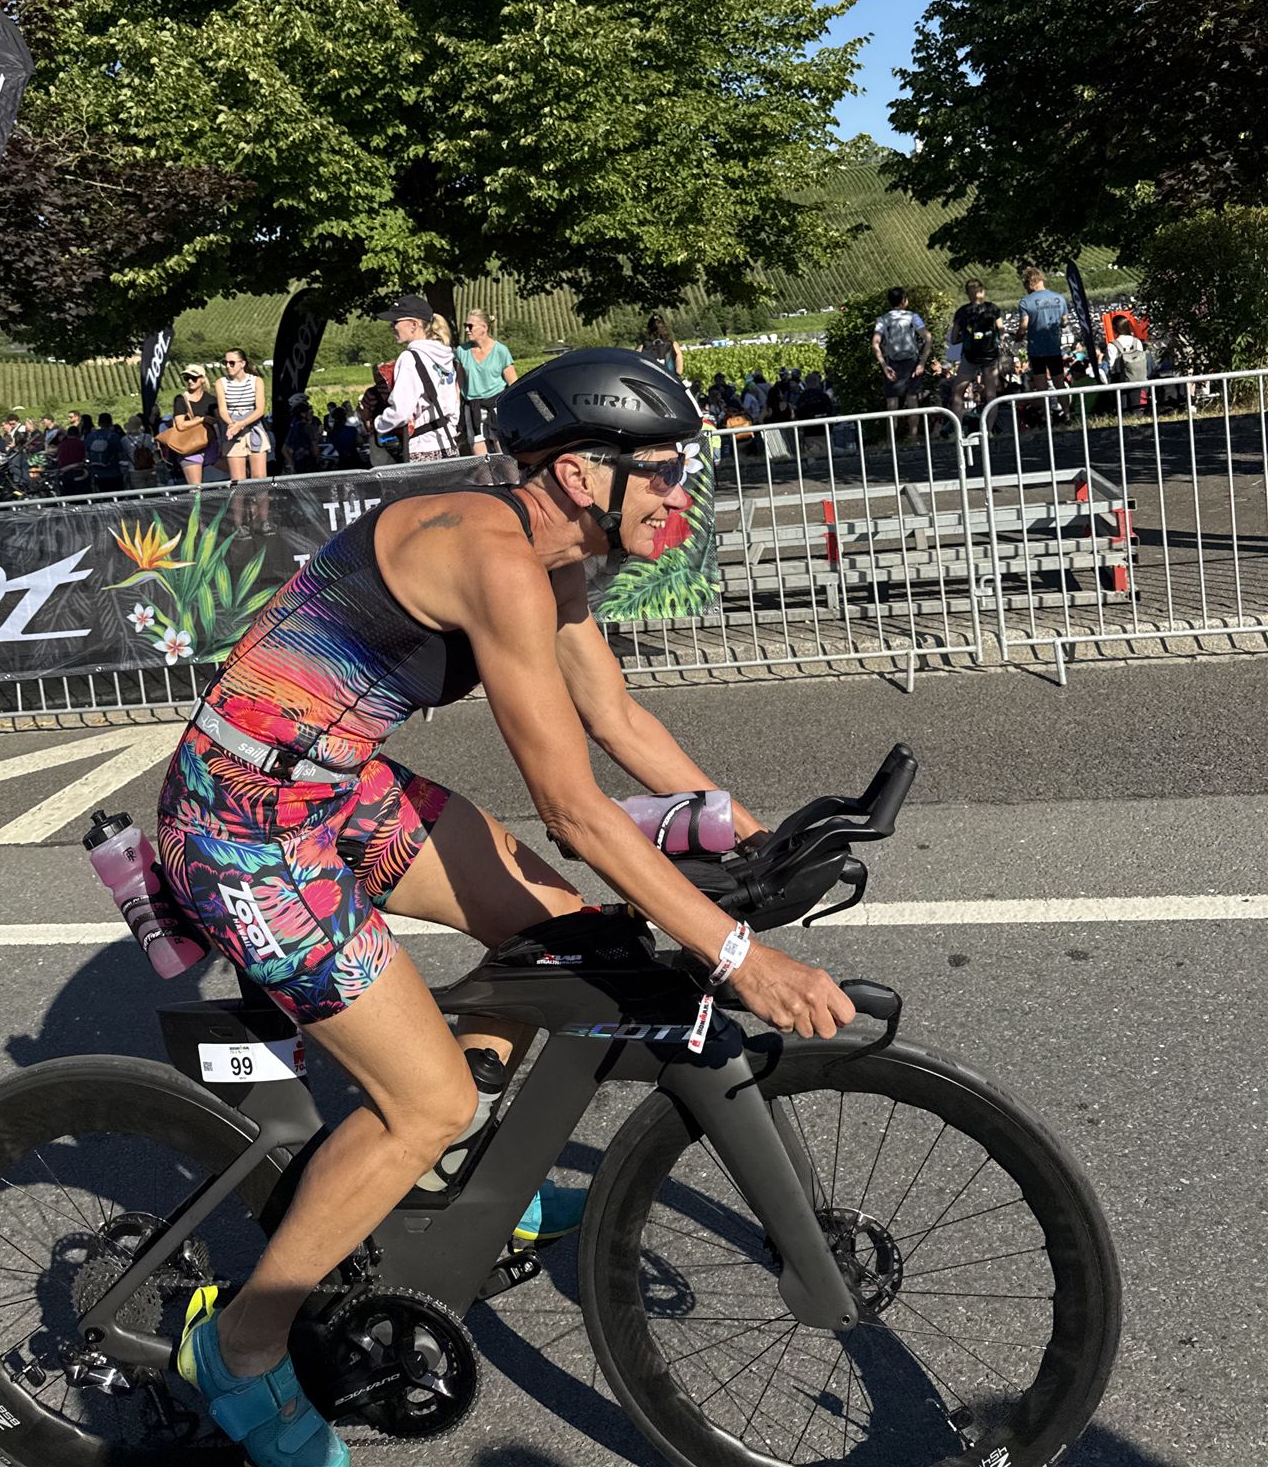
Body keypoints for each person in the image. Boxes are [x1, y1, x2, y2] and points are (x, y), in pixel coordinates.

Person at [157, 347, 853, 1463]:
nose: (679, 492)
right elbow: (576, 808)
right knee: (422, 1099)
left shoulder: (553, 552)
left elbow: (618, 722)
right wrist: (739, 957)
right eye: (661, 470)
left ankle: (455, 1170)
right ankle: (240, 1345)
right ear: (582, 475)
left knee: (556, 928)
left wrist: (759, 840)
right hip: (242, 824)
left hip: (331, 785)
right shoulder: (498, 563)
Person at [375, 294, 462, 462]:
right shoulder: (446, 356)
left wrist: (379, 424)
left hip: (422, 448)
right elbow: (454, 402)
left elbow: (401, 411)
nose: (392, 327)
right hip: (448, 444)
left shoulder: (410, 358)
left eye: (396, 321)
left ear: (414, 324)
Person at [455, 309, 518, 454]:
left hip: (496, 406)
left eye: (470, 326)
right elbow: (458, 384)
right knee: (480, 457)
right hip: (473, 408)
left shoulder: (501, 351)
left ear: (484, 327)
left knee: (503, 453)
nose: (466, 330)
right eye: (465, 325)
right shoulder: (461, 351)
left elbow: (513, 384)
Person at [871, 289, 931, 434]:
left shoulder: (883, 319)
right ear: (904, 300)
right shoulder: (913, 317)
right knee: (913, 402)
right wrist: (922, 363)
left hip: (892, 362)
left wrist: (884, 365)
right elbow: (928, 338)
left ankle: (891, 440)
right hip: (912, 362)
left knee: (892, 404)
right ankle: (913, 438)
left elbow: (875, 343)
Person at [948, 280, 1003, 427]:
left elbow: (953, 339)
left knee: (958, 392)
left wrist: (967, 337)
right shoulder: (993, 308)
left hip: (970, 356)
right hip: (990, 356)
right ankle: (988, 430)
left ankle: (958, 429)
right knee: (991, 394)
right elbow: (1001, 331)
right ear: (983, 291)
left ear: (967, 294)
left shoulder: (962, 312)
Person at [217, 350, 272, 482]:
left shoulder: (256, 381)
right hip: (233, 429)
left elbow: (260, 410)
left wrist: (242, 424)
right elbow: (222, 410)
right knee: (238, 480)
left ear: (242, 363)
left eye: (232, 363)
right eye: (225, 363)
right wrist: (232, 425)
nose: (228, 366)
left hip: (253, 428)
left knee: (259, 478)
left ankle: (262, 497)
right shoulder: (221, 383)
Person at [1016, 269, 1071, 399]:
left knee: (1041, 387)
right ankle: (1067, 410)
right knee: (1059, 383)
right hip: (1054, 347)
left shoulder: (1025, 302)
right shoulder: (1059, 298)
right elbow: (1065, 321)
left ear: (1029, 282)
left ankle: (1046, 411)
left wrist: (1018, 337)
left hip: (1036, 349)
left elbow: (1023, 327)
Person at [172, 365, 221, 488]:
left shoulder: (212, 400)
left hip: (211, 445)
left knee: (235, 478)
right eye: (186, 378)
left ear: (202, 379)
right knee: (196, 489)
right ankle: (197, 501)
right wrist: (202, 420)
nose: (190, 381)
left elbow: (220, 421)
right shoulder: (181, 399)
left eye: (193, 378)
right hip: (190, 447)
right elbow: (180, 425)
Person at [86, 412, 125, 493]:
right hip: (114, 472)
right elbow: (121, 455)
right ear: (111, 423)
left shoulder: (90, 436)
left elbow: (87, 455)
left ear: (98, 423)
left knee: (104, 497)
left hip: (97, 473)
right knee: (118, 496)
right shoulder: (114, 436)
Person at [637, 314, 685, 380]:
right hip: (668, 381)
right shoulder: (673, 344)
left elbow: (636, 364)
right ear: (664, 327)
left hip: (649, 380)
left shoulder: (642, 346)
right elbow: (679, 371)